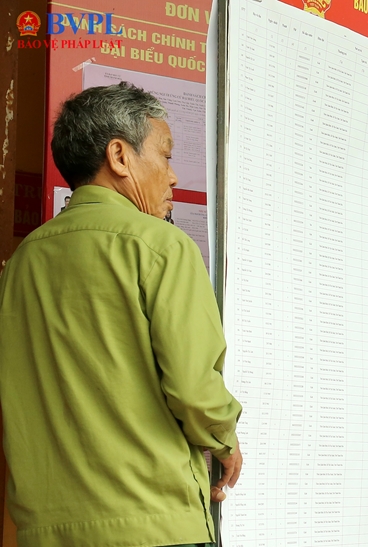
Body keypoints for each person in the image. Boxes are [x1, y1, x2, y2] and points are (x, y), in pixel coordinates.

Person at [0, 82, 242, 546]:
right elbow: (194, 388)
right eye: (166, 156)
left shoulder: (22, 261)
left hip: (44, 531)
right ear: (118, 156)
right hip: (150, 524)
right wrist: (224, 440)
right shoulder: (161, 246)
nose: (173, 176)